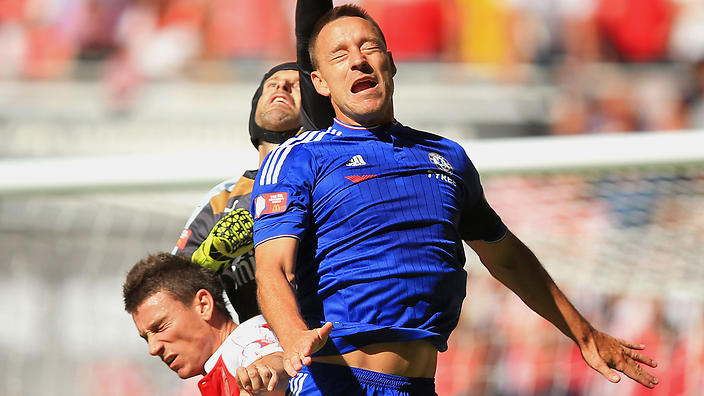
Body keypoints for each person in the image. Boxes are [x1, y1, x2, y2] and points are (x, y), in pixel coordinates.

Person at [250, 3, 660, 395]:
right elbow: (273, 270)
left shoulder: (447, 157)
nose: (358, 59)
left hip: (420, 387)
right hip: (335, 384)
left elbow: (506, 257)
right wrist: (293, 338)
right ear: (319, 82)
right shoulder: (300, 157)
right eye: (339, 55)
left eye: (368, 47)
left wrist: (584, 334)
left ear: (390, 63)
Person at [172, 62, 304, 323]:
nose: (282, 86)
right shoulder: (223, 199)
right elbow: (172, 288)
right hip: (257, 355)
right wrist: (208, 258)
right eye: (272, 83)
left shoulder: (331, 181)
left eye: (297, 85)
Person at [122, 252, 289, 395]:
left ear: (204, 305)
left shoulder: (245, 344)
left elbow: (272, 360)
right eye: (146, 338)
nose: (153, 349)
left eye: (160, 328)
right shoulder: (218, 368)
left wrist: (263, 376)